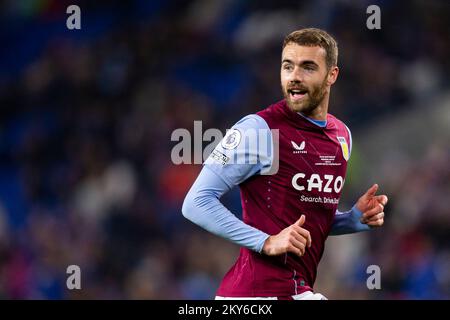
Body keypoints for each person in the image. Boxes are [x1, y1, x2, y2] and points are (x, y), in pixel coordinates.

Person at [182, 28, 388, 300]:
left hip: (294, 289)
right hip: (256, 295)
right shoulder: (260, 130)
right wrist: (265, 242)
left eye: (308, 67)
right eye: (288, 66)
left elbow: (306, 219)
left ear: (331, 76)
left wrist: (351, 220)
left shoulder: (342, 136)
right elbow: (196, 202)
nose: (295, 77)